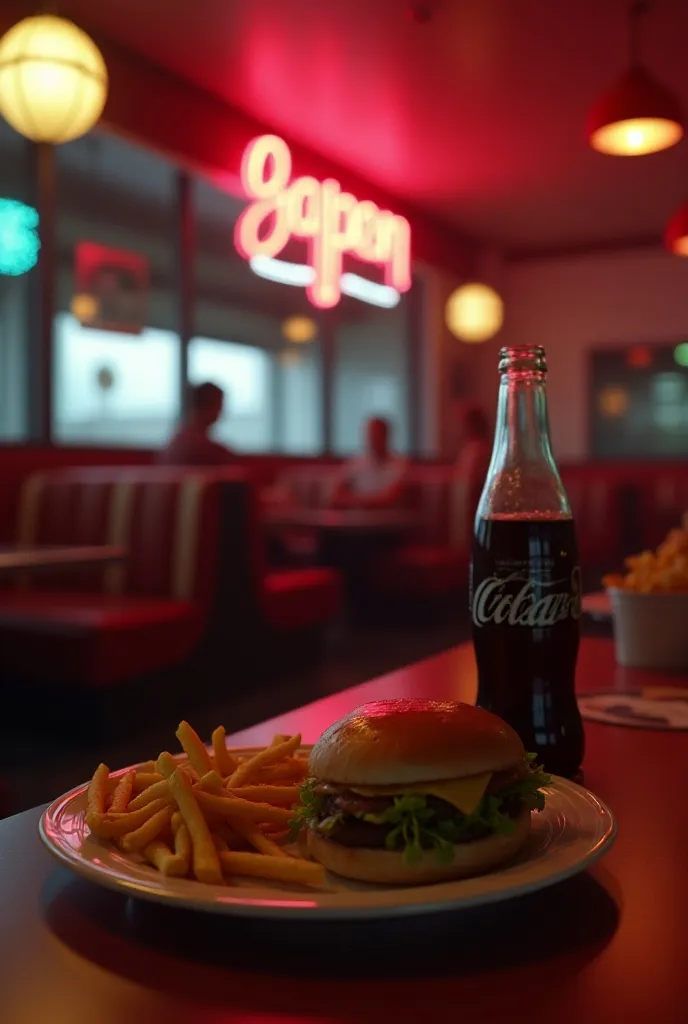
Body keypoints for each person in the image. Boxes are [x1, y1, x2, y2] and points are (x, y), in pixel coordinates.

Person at [331, 417, 408, 510]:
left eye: (377, 434)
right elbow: (336, 495)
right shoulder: (356, 463)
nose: (373, 439)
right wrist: (367, 501)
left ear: (387, 436)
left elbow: (390, 499)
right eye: (370, 434)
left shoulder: (399, 464)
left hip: (387, 520)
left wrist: (354, 500)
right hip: (356, 518)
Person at [158, 382, 234, 466]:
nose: (221, 412)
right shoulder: (194, 444)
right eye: (219, 405)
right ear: (208, 405)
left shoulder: (180, 437)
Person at [454, 403, 491, 480]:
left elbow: (470, 481)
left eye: (462, 423)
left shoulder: (478, 451)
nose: (459, 428)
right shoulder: (469, 449)